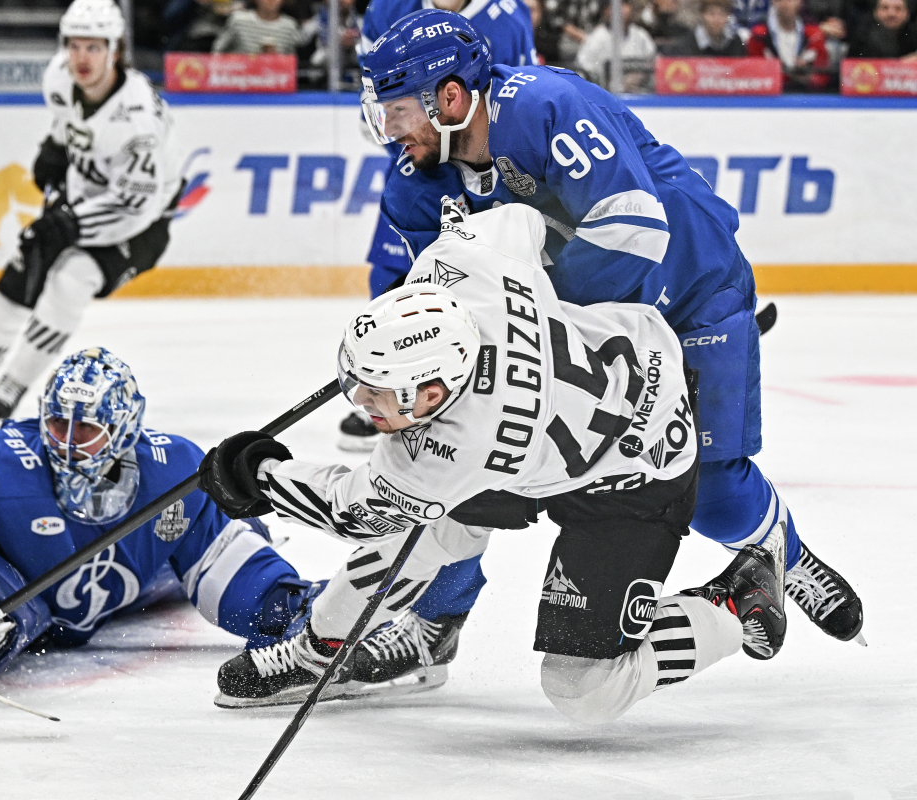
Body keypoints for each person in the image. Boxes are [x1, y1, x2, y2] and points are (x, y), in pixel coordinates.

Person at [343, 8, 862, 673]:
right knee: (479, 459)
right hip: (597, 324)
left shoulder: (545, 106)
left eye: (398, 111)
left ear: (449, 97)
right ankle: (433, 618)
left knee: (712, 487)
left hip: (691, 284)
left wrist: (530, 317)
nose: (389, 130)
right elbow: (443, 301)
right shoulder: (418, 183)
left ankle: (784, 553)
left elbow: (634, 231)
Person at [198, 204, 790, 721]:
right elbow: (530, 216)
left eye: (376, 393)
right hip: (623, 368)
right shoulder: (467, 262)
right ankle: (325, 650)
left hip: (635, 474)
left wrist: (260, 476)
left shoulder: (457, 444)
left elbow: (351, 510)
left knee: (584, 689)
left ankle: (734, 603)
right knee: (432, 525)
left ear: (432, 395)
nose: (360, 403)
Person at [0, 348, 318, 695]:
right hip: (38, 592)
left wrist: (286, 611)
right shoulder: (6, 457)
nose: (68, 444)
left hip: (149, 577)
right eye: (57, 424)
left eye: (86, 429)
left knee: (246, 565)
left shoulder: (173, 472)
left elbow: (217, 553)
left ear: (123, 429)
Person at [0, 0, 183, 420]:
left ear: (115, 50)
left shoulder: (137, 123)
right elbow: (67, 122)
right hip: (84, 197)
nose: (81, 58)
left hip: (141, 223)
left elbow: (135, 204)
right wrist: (55, 149)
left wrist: (71, 224)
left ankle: (14, 381)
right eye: (74, 45)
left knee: (71, 282)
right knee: (22, 269)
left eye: (94, 47)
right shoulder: (59, 76)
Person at [344, 0, 537, 452]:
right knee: (394, 275)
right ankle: (390, 383)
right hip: (420, 162)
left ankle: (473, 390)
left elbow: (510, 105)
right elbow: (376, 99)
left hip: (485, 166)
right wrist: (421, 153)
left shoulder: (509, 17)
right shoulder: (388, 9)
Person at [746, 0, 833, 91]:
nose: (786, 4)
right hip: (770, 95)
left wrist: (809, 77)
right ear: (773, 2)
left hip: (806, 94)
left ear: (800, 2)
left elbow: (823, 76)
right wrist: (788, 76)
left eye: (791, 0)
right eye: (780, 0)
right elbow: (754, 75)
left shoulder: (814, 36)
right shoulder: (759, 36)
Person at [574, 0, 658, 88]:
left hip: (640, 93)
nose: (622, 10)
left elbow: (654, 64)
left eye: (624, 5)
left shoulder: (640, 35)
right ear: (606, 11)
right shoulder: (596, 38)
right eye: (616, 6)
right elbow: (583, 72)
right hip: (606, 93)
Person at [213, 0, 305, 54]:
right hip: (239, 77)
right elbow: (217, 51)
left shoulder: (289, 26)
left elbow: (290, 61)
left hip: (274, 77)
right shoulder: (238, 20)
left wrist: (275, 59)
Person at [674, 0, 747, 56]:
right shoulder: (687, 43)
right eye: (712, 14)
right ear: (702, 15)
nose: (716, 19)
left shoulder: (735, 41)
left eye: (722, 14)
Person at [848, 0, 917, 57]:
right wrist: (900, 63)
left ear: (908, 14)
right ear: (875, 12)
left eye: (898, 9)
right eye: (885, 8)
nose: (891, 14)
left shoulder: (913, 33)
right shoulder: (862, 35)